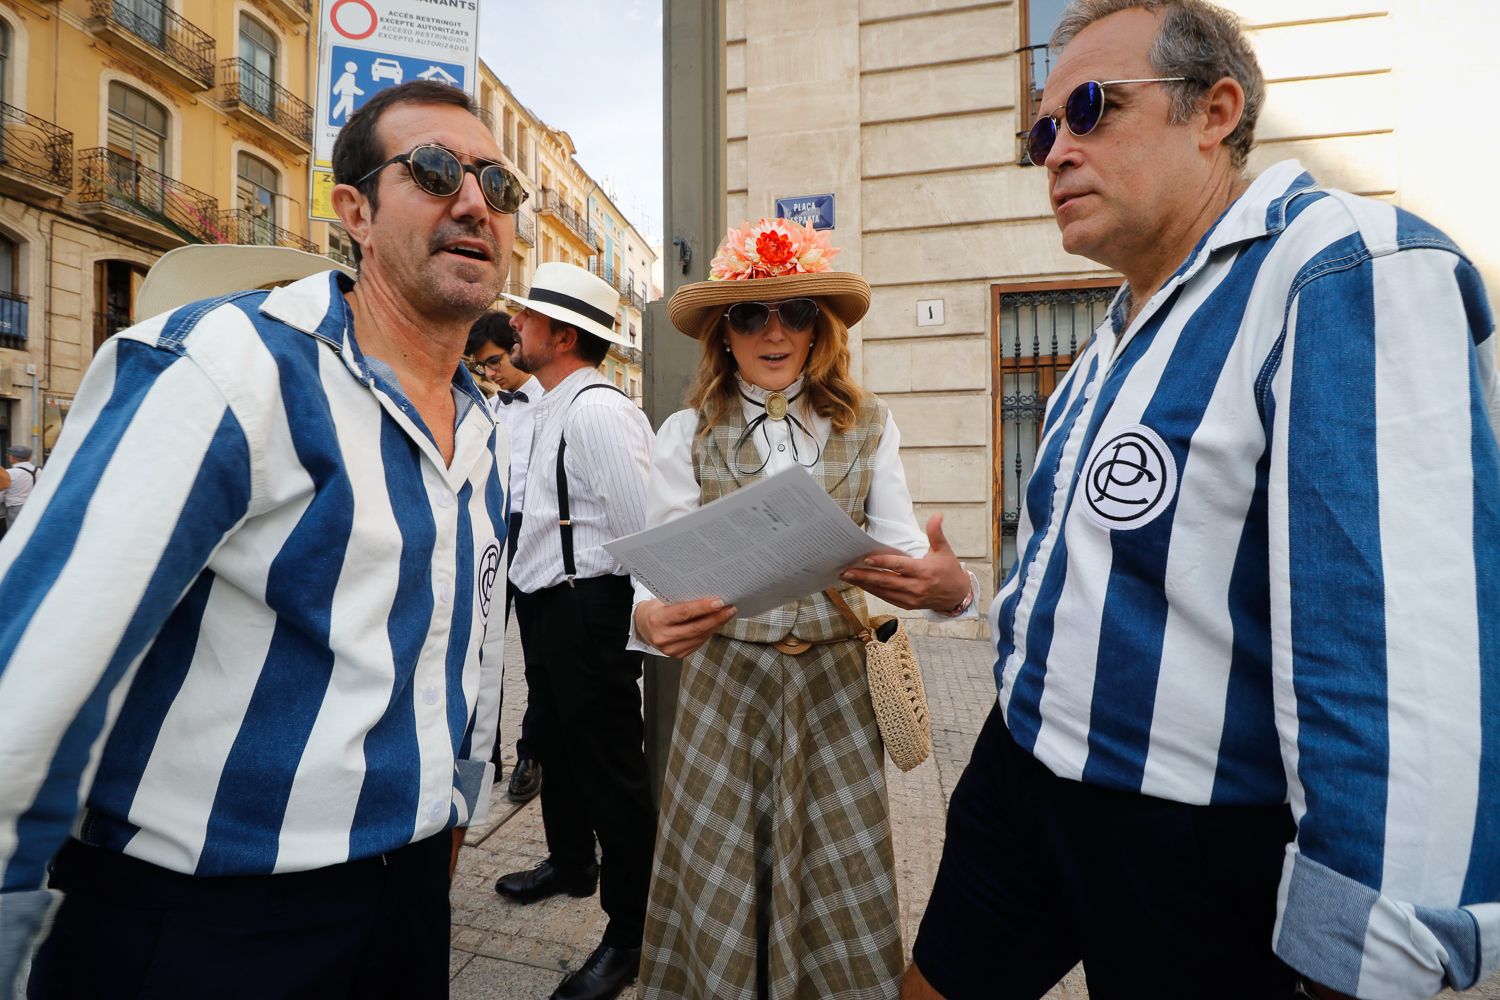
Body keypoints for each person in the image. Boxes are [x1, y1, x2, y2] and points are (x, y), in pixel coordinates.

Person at [900, 2, 1500, 999]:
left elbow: (1401, 651)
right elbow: (1102, 564)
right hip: (1022, 767)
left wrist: (1364, 954)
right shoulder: (1115, 329)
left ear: (1213, 110)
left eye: (1089, 109)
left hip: (1190, 837)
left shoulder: (1342, 268)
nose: (1056, 152)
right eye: (1043, 130)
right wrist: (969, 594)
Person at [0, 79, 524, 997]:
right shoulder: (223, 367)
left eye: (498, 183)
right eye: (436, 171)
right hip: (206, 923)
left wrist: (450, 812)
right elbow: (37, 667)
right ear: (353, 211)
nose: (475, 202)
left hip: (403, 906)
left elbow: (464, 650)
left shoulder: (482, 422)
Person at [633, 218, 977, 1000]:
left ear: (821, 329)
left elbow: (909, 555)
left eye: (795, 312)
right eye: (752, 314)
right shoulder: (684, 432)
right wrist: (648, 620)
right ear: (724, 333)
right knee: (719, 880)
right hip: (726, 695)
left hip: (835, 699)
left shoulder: (870, 424)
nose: (774, 330)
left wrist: (949, 590)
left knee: (839, 876)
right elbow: (656, 575)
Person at [493, 262, 657, 1000]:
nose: (514, 326)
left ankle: (632, 935)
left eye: (526, 318)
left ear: (561, 335)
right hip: (546, 602)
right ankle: (570, 864)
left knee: (613, 774)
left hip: (588, 607)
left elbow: (644, 532)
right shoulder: (548, 402)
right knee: (553, 743)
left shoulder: (596, 411)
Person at [467, 310, 545, 803]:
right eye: (482, 367)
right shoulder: (490, 410)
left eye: (494, 361)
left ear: (516, 346)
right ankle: (484, 755)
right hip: (495, 532)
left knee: (538, 655)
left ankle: (532, 752)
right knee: (482, 646)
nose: (491, 373)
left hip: (539, 534)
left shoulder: (553, 404)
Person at [2, 444, 38, 528]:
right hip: (34, 507)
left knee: (15, 533)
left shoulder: (9, 473)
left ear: (13, 457)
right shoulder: (39, 470)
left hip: (16, 509)